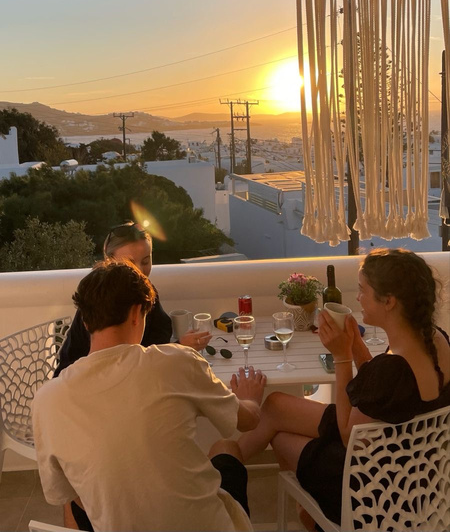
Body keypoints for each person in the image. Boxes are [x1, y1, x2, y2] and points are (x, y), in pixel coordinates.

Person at [33, 260, 267, 532]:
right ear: (136, 313)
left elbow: (68, 494)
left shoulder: (47, 399)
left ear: (85, 321)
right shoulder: (176, 361)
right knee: (226, 448)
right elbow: (247, 421)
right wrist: (251, 399)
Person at [236, 248, 450, 527]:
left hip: (375, 488)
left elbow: (350, 435)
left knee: (281, 437)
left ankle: (306, 516)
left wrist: (341, 356)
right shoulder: (435, 340)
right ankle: (225, 465)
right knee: (275, 404)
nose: (358, 298)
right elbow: (384, 393)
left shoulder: (392, 369)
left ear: (389, 301)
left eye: (362, 290)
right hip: (414, 469)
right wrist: (356, 346)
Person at [54, 221, 210, 377]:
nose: (140, 270)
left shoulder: (147, 293)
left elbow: (156, 346)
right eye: (129, 264)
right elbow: (69, 367)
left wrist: (179, 346)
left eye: (146, 261)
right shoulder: (95, 302)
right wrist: (179, 348)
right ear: (109, 263)